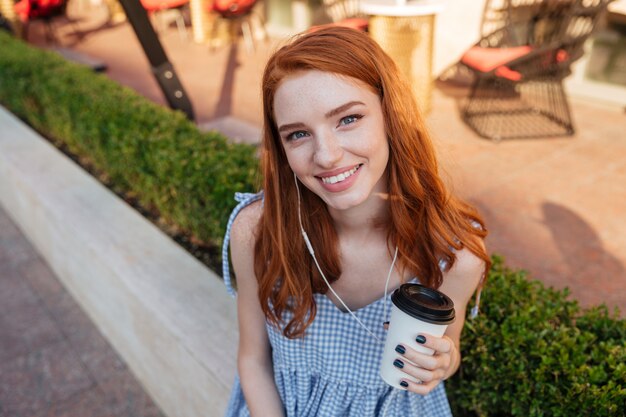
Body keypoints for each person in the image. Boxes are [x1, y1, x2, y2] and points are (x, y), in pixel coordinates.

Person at [221, 26, 490, 417]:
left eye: (347, 119)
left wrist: (441, 362)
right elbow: (253, 360)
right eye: (298, 134)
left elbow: (447, 352)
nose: (327, 155)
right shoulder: (257, 231)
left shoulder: (454, 257)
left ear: (390, 116)